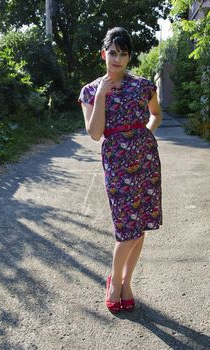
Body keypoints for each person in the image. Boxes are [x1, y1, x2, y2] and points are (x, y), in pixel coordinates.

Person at [78, 27, 162, 313]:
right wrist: (102, 93)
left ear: (129, 57)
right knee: (126, 227)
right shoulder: (90, 91)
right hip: (116, 163)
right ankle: (114, 282)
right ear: (104, 53)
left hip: (146, 160)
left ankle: (127, 282)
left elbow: (156, 114)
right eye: (112, 53)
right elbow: (94, 132)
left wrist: (145, 135)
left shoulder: (143, 85)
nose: (117, 59)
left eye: (123, 54)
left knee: (140, 226)